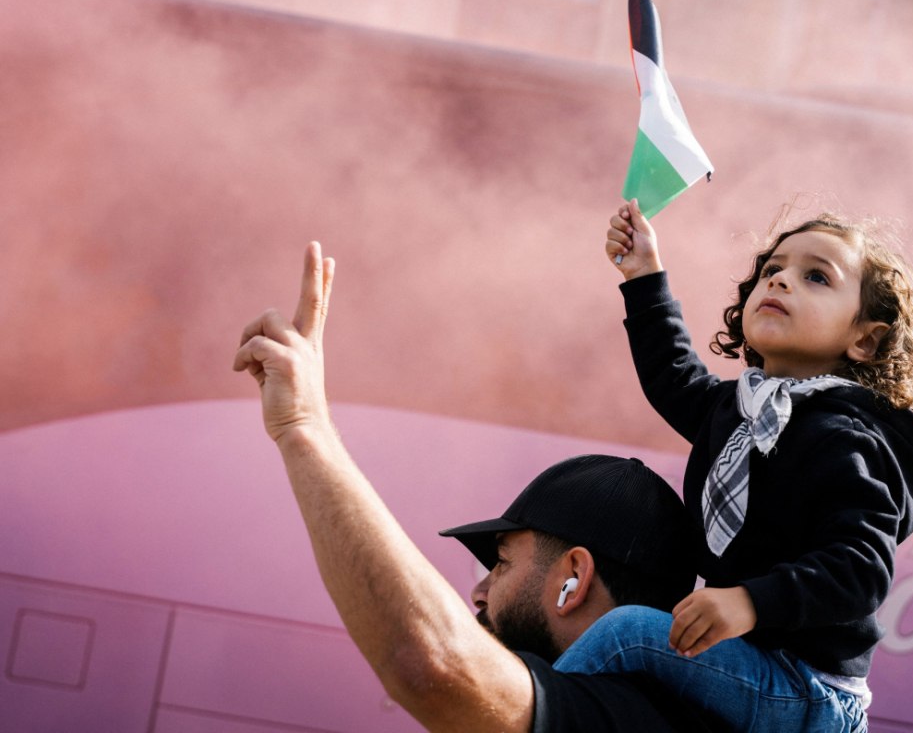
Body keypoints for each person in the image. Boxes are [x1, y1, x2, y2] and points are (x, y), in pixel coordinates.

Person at [233, 242, 729, 732]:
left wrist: (303, 426)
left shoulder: (630, 719)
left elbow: (432, 665)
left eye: (502, 562)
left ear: (573, 578)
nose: (479, 590)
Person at [553, 201, 913, 731]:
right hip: (753, 662)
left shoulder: (845, 439)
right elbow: (673, 375)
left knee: (627, 633)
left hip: (811, 689)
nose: (781, 280)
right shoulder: (739, 411)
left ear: (864, 339)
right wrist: (643, 274)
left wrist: (750, 602)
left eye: (817, 276)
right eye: (773, 269)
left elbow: (860, 570)